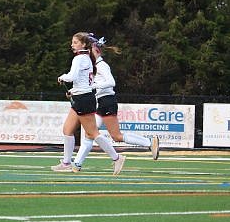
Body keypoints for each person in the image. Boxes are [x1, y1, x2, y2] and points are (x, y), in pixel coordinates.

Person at [71, 35, 160, 171]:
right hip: (100, 102)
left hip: (107, 101)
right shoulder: (92, 66)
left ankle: (149, 142)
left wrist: (93, 86)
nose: (88, 53)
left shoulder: (102, 65)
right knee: (90, 133)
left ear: (97, 52)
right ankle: (77, 164)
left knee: (116, 136)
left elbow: (111, 82)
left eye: (91, 51)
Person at [53, 32, 125, 175]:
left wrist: (62, 77)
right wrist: (73, 90)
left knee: (93, 133)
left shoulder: (80, 58)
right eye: (72, 42)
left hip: (84, 100)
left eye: (75, 42)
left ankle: (117, 158)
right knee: (67, 130)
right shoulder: (86, 58)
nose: (72, 45)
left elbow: (72, 77)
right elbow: (83, 82)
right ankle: (66, 163)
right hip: (81, 97)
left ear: (83, 44)